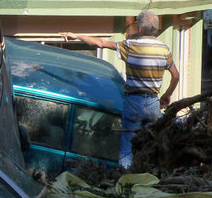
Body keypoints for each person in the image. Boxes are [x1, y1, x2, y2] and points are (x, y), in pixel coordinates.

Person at [61, 10, 180, 169]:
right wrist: (167, 95)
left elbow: (101, 43)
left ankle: (125, 179)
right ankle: (154, 176)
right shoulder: (165, 50)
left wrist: (75, 35)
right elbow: (176, 76)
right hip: (153, 103)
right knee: (154, 143)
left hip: (133, 102)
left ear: (139, 29)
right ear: (157, 29)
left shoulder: (129, 46)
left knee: (127, 148)